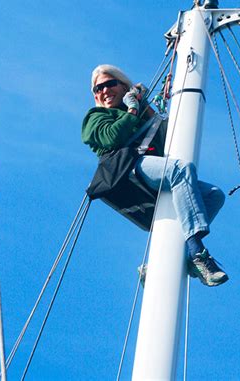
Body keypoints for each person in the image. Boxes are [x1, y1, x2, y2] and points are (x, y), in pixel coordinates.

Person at [82, 64, 229, 287]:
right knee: (179, 169)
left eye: (110, 84)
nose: (103, 91)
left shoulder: (137, 113)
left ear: (124, 86)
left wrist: (144, 104)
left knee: (214, 195)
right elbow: (112, 137)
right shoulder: (96, 116)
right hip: (125, 169)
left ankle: (165, 256)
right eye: (98, 88)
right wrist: (131, 110)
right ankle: (197, 251)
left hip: (148, 168)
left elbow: (167, 131)